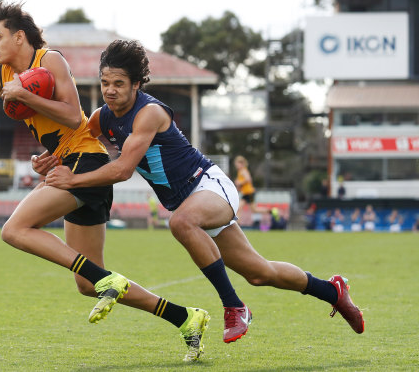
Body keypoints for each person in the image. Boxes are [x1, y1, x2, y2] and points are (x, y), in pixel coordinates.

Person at [0, 2, 209, 362]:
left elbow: (71, 114)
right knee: (87, 284)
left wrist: (25, 96)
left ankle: (109, 280)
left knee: (14, 230)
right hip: (66, 161)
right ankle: (186, 317)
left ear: (19, 36)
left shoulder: (50, 61)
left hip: (86, 161)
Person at [46, 39, 365, 341]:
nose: (110, 91)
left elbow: (123, 169)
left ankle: (234, 306)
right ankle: (333, 291)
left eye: (118, 84)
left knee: (181, 222)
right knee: (260, 273)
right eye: (105, 83)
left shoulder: (149, 113)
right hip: (188, 203)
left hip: (208, 186)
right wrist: (49, 159)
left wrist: (72, 181)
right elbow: (78, 144)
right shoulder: (102, 117)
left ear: (136, 84)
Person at [233, 155, 265, 224]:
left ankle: (237, 225)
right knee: (251, 209)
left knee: (253, 210)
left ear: (241, 163)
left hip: (249, 192)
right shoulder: (240, 172)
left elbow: (248, 179)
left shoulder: (243, 170)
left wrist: (239, 182)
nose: (236, 166)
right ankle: (238, 225)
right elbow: (241, 185)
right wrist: (238, 186)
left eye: (237, 164)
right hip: (246, 193)